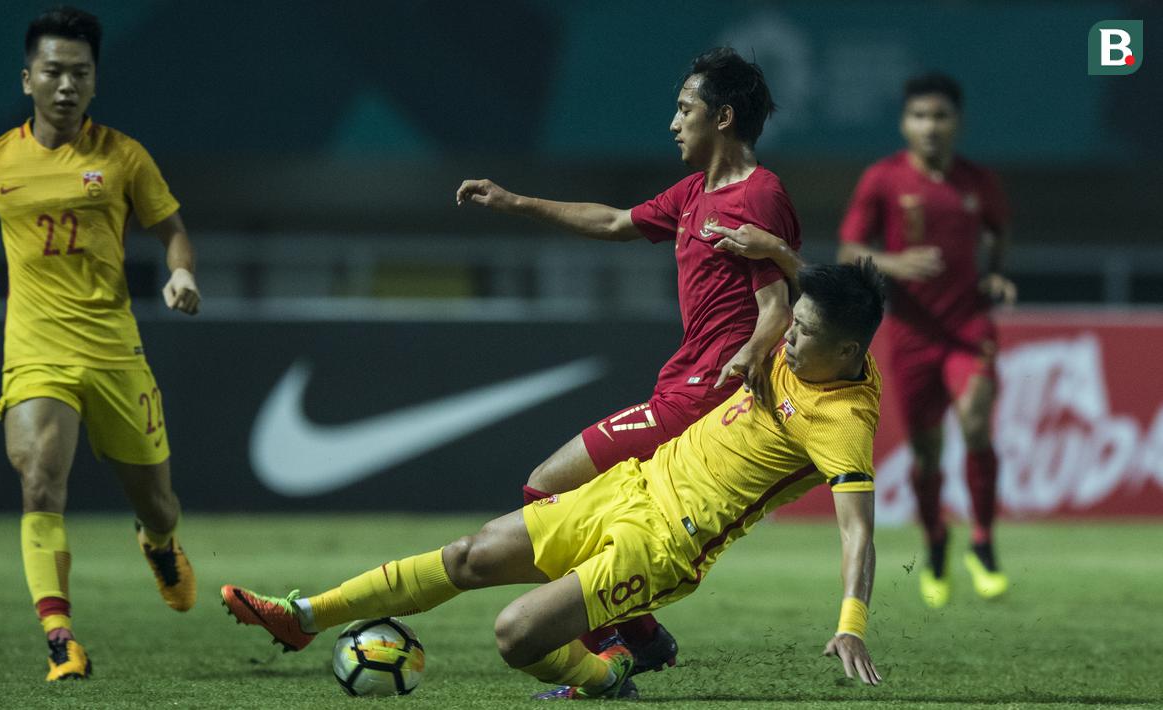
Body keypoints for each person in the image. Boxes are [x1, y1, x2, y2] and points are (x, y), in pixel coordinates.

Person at [223, 261, 887, 699]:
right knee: (467, 554)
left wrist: (850, 623)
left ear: (848, 352)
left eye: (803, 334)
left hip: (663, 544)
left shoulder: (842, 423)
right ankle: (305, 617)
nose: (788, 341)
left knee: (515, 635)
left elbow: (858, 531)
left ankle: (607, 674)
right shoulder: (811, 341)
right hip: (629, 485)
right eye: (792, 325)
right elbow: (783, 303)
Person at [454, 47, 800, 669]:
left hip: (708, 397)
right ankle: (637, 635)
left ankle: (625, 642)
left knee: (547, 487)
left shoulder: (760, 194)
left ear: (722, 118)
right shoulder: (696, 191)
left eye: (683, 108)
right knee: (574, 505)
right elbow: (615, 221)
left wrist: (749, 354)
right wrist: (514, 202)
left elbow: (777, 304)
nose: (673, 122)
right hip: (682, 385)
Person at [0, 7, 201, 680]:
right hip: (35, 351)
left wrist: (181, 272)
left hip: (113, 351)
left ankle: (160, 544)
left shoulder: (123, 157)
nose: (65, 85)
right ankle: (60, 639)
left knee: (157, 502)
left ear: (93, 82)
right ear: (28, 78)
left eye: (79, 73)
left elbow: (170, 229)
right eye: (52, 71)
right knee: (40, 480)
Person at [837, 73, 1014, 608]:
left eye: (940, 116)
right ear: (904, 123)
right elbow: (849, 250)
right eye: (919, 116)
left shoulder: (977, 181)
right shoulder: (883, 179)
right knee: (927, 452)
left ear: (956, 122)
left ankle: (982, 541)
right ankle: (936, 538)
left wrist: (994, 274)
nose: (930, 126)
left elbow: (999, 232)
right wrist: (893, 263)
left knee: (978, 421)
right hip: (913, 335)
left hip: (968, 327)